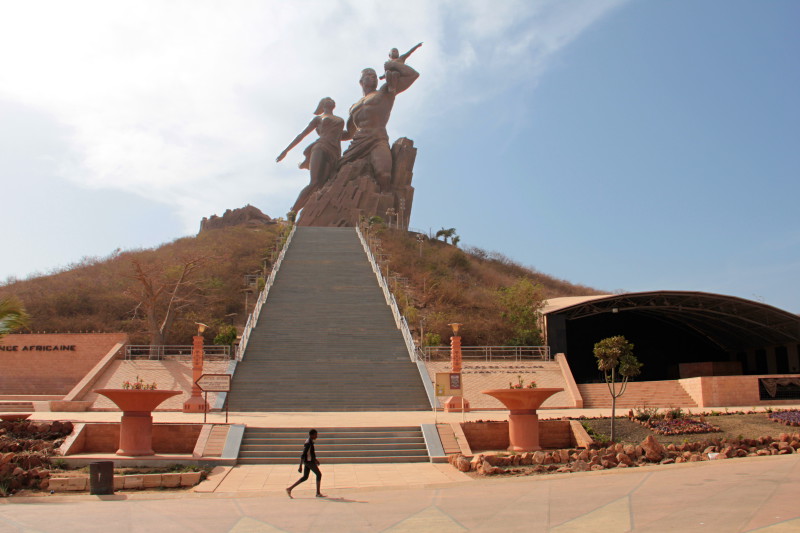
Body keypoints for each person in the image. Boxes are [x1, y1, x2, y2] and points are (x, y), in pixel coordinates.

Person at [338, 44, 420, 192]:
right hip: (358, 142)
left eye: (375, 76)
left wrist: (393, 64)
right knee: (337, 175)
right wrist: (328, 136)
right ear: (361, 82)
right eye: (369, 76)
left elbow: (413, 75)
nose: (374, 78)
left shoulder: (385, 92)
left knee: (384, 174)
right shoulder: (353, 107)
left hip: (377, 139)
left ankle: (387, 209)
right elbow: (348, 133)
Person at [277, 97, 345, 213]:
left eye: (332, 99)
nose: (330, 100)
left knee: (326, 185)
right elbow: (302, 135)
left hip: (335, 151)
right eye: (327, 100)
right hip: (321, 147)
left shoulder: (340, 119)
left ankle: (316, 211)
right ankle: (293, 212)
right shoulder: (319, 118)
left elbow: (346, 135)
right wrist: (286, 150)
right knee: (315, 182)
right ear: (322, 105)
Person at [286, 428, 324, 498]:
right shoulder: (308, 443)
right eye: (315, 435)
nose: (316, 436)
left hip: (308, 461)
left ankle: (290, 488)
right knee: (319, 474)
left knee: (305, 477)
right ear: (312, 435)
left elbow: (311, 453)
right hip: (309, 462)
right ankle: (318, 493)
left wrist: (315, 460)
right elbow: (303, 455)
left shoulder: (310, 441)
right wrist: (300, 466)